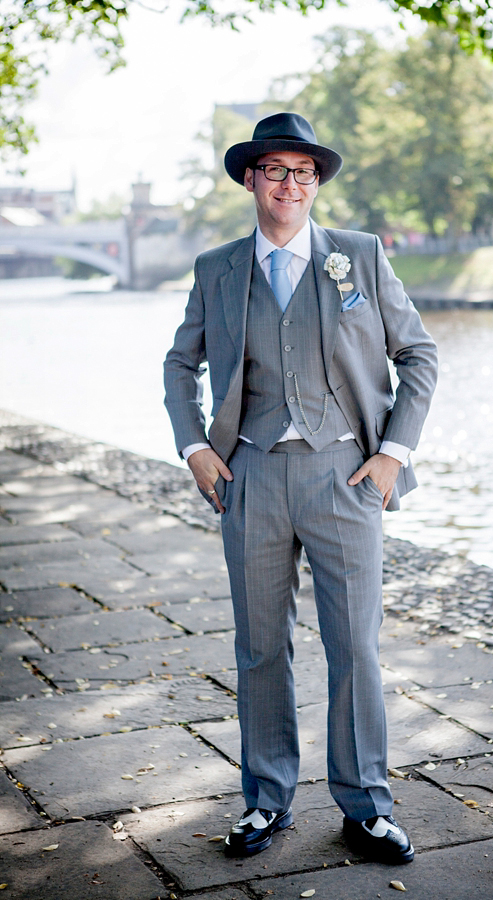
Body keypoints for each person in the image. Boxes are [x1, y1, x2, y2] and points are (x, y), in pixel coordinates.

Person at [164, 112, 437, 864]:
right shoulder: (216, 268)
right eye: (276, 171)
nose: (290, 184)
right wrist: (194, 445)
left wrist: (392, 454)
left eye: (303, 172)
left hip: (346, 476)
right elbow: (177, 366)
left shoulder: (359, 255)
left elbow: (418, 353)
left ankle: (366, 807)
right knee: (260, 647)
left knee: (355, 646)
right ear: (251, 179)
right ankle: (267, 802)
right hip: (249, 475)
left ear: (316, 182)